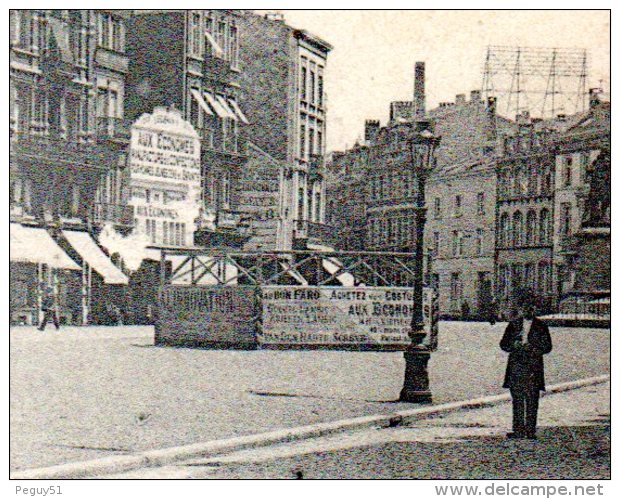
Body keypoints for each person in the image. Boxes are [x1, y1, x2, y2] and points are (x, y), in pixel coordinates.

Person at [500, 294, 552, 439]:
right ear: (521, 309)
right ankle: (518, 429)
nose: (528, 310)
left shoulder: (541, 326)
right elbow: (503, 344)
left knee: (532, 398)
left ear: (535, 309)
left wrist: (534, 348)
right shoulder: (513, 324)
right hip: (516, 364)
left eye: (531, 307)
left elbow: (548, 347)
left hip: (533, 365)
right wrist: (513, 345)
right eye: (525, 307)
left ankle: (530, 430)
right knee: (517, 398)